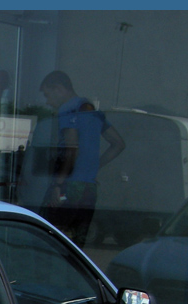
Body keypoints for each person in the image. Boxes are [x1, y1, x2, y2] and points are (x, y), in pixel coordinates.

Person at [39, 70, 125, 247]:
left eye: (48, 95)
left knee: (51, 241)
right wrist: (94, 166)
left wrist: (58, 184)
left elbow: (72, 148)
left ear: (58, 89)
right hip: (89, 188)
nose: (47, 102)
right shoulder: (92, 111)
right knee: (77, 246)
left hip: (69, 188)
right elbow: (118, 143)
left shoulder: (68, 110)